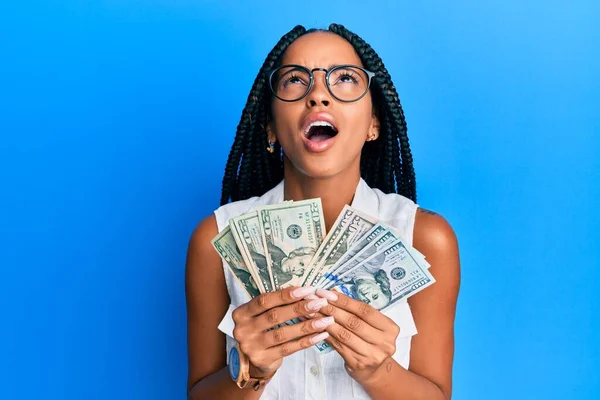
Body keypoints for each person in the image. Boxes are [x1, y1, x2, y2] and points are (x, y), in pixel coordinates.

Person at [185, 23, 461, 400]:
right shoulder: (214, 240)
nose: (318, 95)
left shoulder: (427, 239)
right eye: (295, 81)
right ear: (269, 126)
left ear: (374, 123)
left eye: (344, 78)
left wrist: (377, 371)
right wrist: (252, 372)